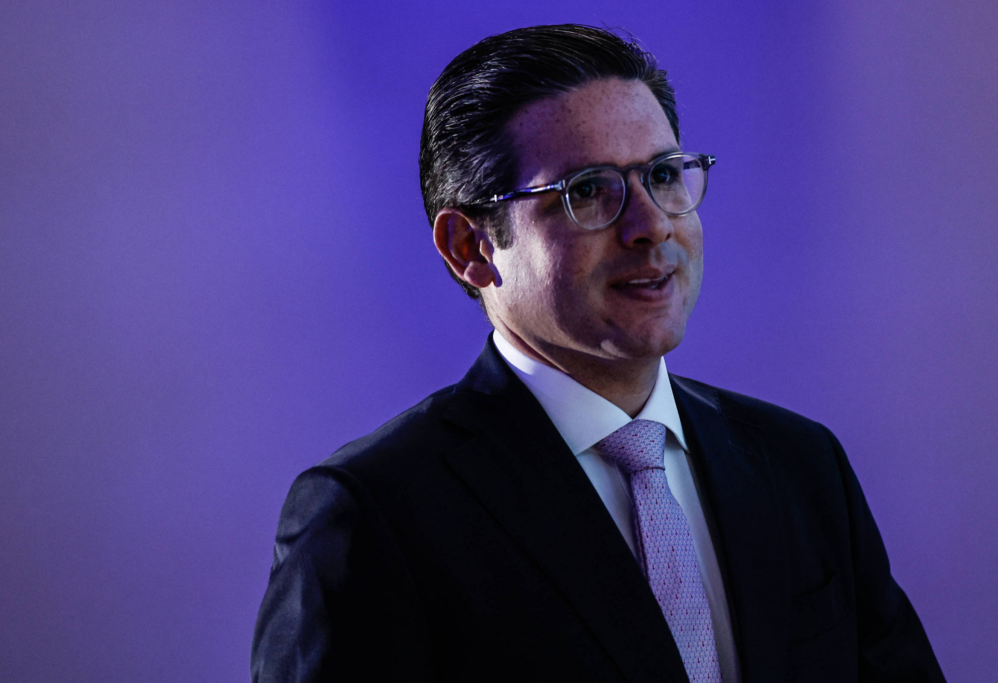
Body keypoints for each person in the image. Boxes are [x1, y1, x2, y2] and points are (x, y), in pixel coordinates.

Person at [251, 24, 945, 682]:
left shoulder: (800, 464)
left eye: (664, 175)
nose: (651, 226)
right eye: (587, 190)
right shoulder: (373, 514)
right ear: (470, 247)